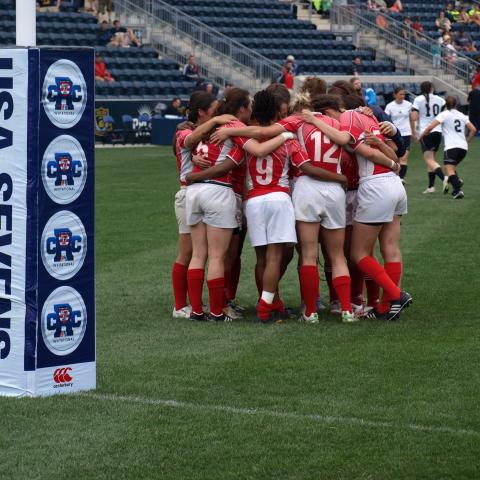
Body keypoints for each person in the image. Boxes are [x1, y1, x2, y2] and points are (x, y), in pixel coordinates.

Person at [184, 88, 296, 322]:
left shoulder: (213, 127)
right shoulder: (238, 129)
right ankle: (224, 307)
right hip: (229, 193)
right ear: (243, 109)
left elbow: (188, 141)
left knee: (204, 255)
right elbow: (256, 148)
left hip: (211, 193)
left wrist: (193, 169)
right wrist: (286, 135)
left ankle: (197, 308)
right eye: (248, 106)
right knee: (224, 256)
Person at [171, 92, 237, 318]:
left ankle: (195, 307)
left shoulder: (205, 133)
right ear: (202, 111)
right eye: (214, 108)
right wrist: (217, 121)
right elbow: (187, 142)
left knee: (199, 254)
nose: (218, 111)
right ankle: (181, 306)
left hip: (195, 191)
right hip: (190, 191)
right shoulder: (185, 130)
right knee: (188, 253)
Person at [419, 96, 476, 199]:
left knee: (449, 169)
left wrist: (421, 136)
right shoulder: (463, 115)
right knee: (450, 167)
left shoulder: (444, 114)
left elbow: (431, 127)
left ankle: (458, 190)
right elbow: (473, 129)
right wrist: (467, 141)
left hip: (452, 146)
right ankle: (456, 184)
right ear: (456, 104)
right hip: (463, 147)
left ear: (446, 104)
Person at [411, 81, 446, 193]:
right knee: (432, 160)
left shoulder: (418, 99)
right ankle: (431, 187)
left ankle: (444, 178)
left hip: (426, 132)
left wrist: (412, 112)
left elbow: (414, 117)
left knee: (429, 160)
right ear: (431, 88)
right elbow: (444, 115)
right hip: (438, 131)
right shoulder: (440, 99)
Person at [384, 87, 413, 182]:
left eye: (404, 94)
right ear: (395, 95)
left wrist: (413, 131)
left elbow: (411, 119)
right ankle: (395, 176)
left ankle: (401, 178)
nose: (402, 96)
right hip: (395, 134)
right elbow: (386, 120)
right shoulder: (389, 106)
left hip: (406, 134)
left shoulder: (409, 105)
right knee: (395, 157)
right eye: (400, 94)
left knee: (404, 157)